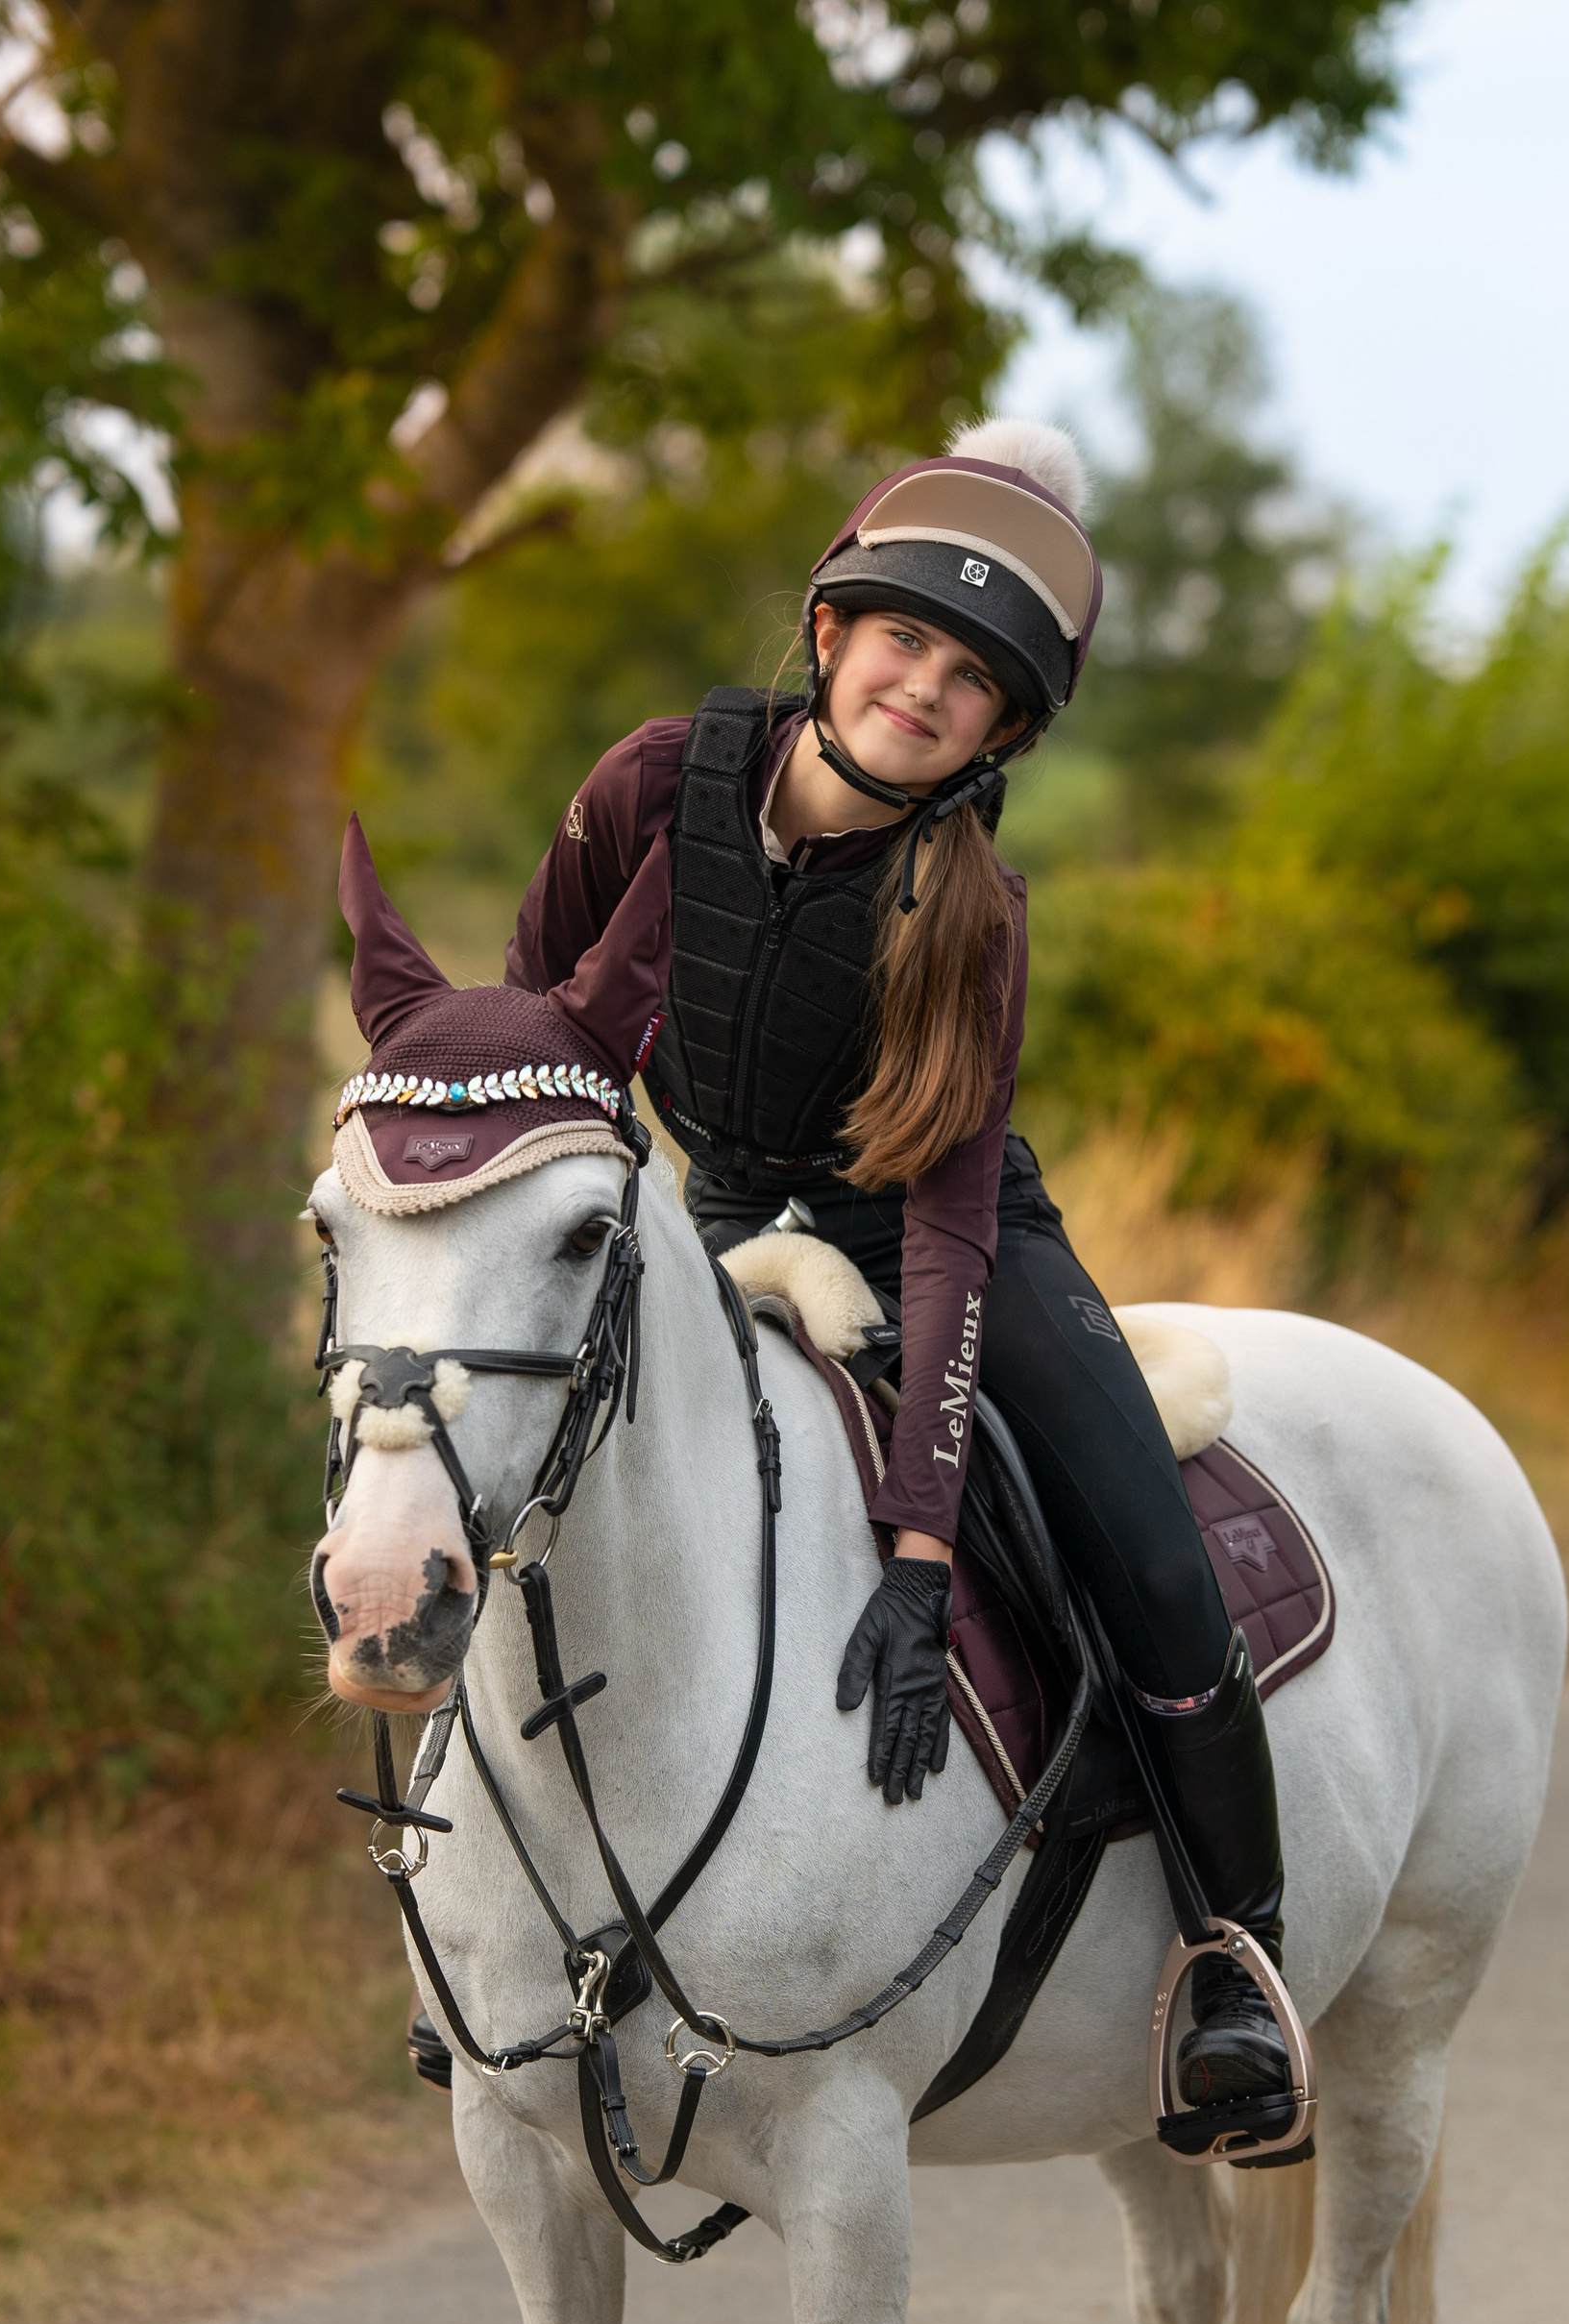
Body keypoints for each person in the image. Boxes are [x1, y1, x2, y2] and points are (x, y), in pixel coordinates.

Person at [496, 419, 1296, 2116]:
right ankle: (494, 1929)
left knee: (1147, 1542)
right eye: (904, 640)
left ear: (1004, 728)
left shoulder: (972, 905)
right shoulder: (650, 784)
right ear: (831, 637)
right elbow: (541, 1042)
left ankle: (1237, 1951)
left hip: (951, 1231)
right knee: (500, 1478)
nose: (924, 686)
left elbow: (935, 1230)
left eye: (972, 681)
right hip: (710, 1213)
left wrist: (923, 1549)